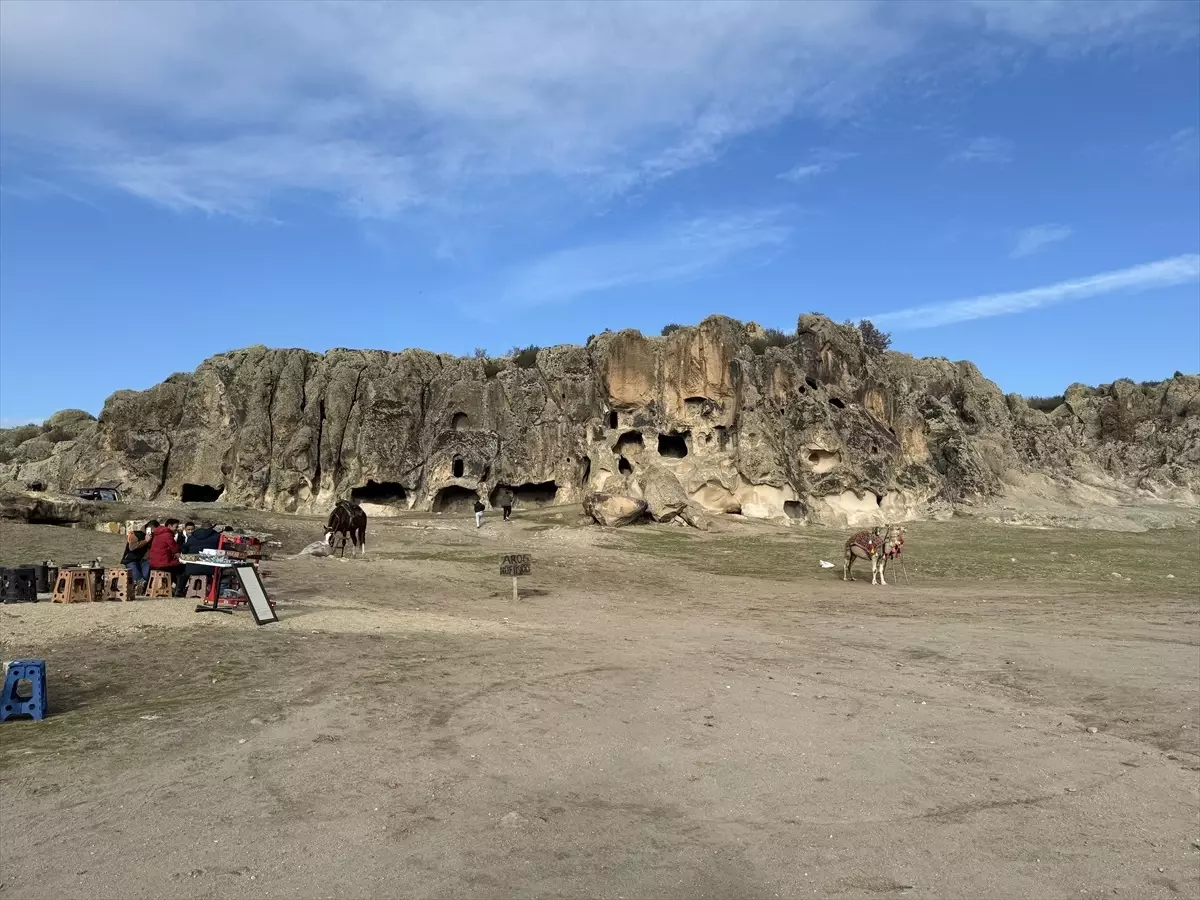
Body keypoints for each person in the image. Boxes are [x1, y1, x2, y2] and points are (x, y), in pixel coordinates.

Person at [178, 521, 222, 595]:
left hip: (191, 567)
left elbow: (184, 549)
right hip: (209, 568)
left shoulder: (192, 536)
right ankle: (213, 592)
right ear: (211, 528)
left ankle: (180, 590)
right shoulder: (216, 536)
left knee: (183, 572)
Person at [148, 518, 185, 596]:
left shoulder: (158, 534)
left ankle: (168, 588)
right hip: (162, 563)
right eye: (176, 526)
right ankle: (179, 590)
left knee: (175, 567)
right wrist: (182, 558)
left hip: (153, 563)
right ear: (169, 526)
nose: (177, 529)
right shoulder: (167, 535)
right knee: (181, 568)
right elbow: (175, 549)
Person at [122, 520, 155, 594]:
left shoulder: (155, 537)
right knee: (134, 569)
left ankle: (141, 585)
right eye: (152, 530)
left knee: (146, 574)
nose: (152, 532)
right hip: (131, 559)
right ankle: (141, 584)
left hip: (144, 560)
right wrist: (146, 541)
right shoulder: (135, 534)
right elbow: (132, 547)